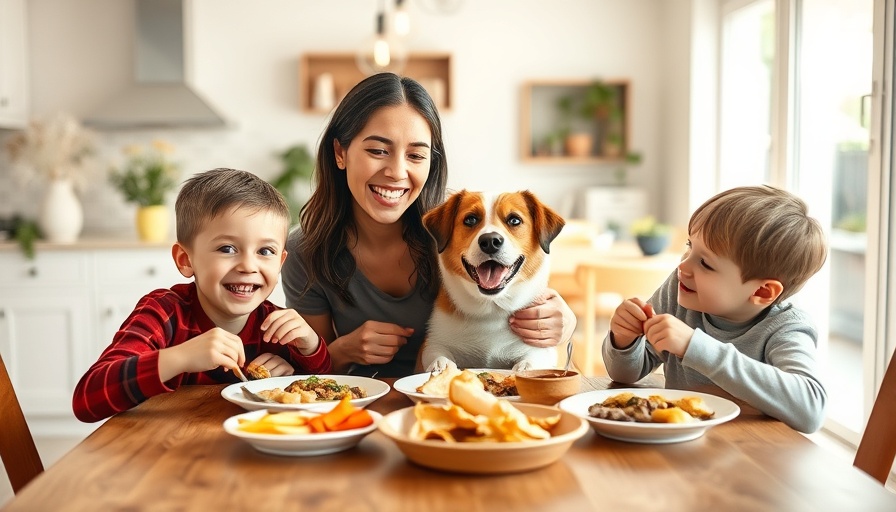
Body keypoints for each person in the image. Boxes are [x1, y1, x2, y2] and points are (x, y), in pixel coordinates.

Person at [282, 72, 576, 378]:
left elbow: (521, 296)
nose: (397, 171)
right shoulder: (306, 250)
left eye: (416, 155)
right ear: (340, 153)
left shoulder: (454, 229)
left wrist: (565, 323)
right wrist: (344, 351)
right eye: (378, 150)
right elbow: (310, 371)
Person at [73, 168, 330, 422]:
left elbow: (325, 386)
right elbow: (87, 400)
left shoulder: (277, 327)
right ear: (186, 260)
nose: (249, 266)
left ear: (281, 262)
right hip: (166, 451)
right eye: (227, 248)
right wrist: (179, 358)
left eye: (265, 251)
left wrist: (308, 348)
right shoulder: (163, 312)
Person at [602, 185, 828, 433]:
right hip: (680, 447)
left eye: (705, 263)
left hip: (754, 456)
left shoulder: (785, 328)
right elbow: (625, 375)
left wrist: (696, 348)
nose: (683, 267)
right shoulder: (678, 292)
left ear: (762, 292)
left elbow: (811, 409)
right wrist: (624, 341)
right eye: (689, 245)